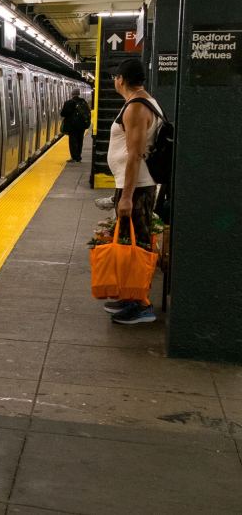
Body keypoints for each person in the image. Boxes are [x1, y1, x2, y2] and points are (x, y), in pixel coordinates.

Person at [103, 58, 162, 325]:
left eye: (115, 76)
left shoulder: (136, 107)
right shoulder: (138, 102)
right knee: (130, 243)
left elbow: (134, 155)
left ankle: (142, 305)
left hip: (137, 188)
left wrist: (126, 197)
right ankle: (131, 296)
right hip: (134, 186)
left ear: (121, 79)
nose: (114, 80)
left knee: (138, 246)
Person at [59, 88, 91, 162]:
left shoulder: (69, 102)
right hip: (82, 126)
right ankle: (78, 156)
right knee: (80, 141)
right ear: (79, 94)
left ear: (72, 94)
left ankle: (74, 157)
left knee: (73, 142)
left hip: (72, 126)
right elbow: (87, 111)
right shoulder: (83, 102)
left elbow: (63, 113)